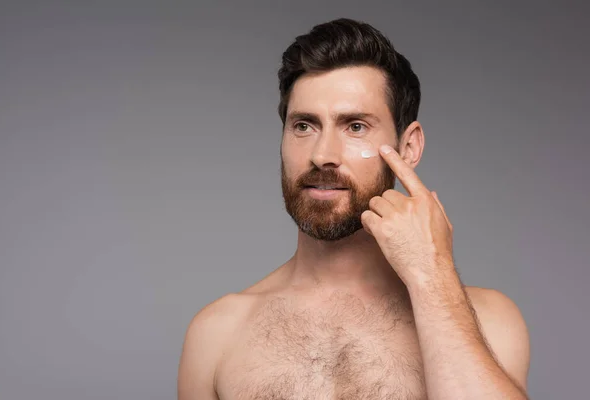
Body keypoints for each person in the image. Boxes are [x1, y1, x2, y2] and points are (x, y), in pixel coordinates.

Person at [177, 18, 530, 400]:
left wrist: (432, 277)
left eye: (356, 126)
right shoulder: (217, 333)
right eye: (304, 126)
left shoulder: (487, 321)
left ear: (408, 147)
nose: (322, 155)